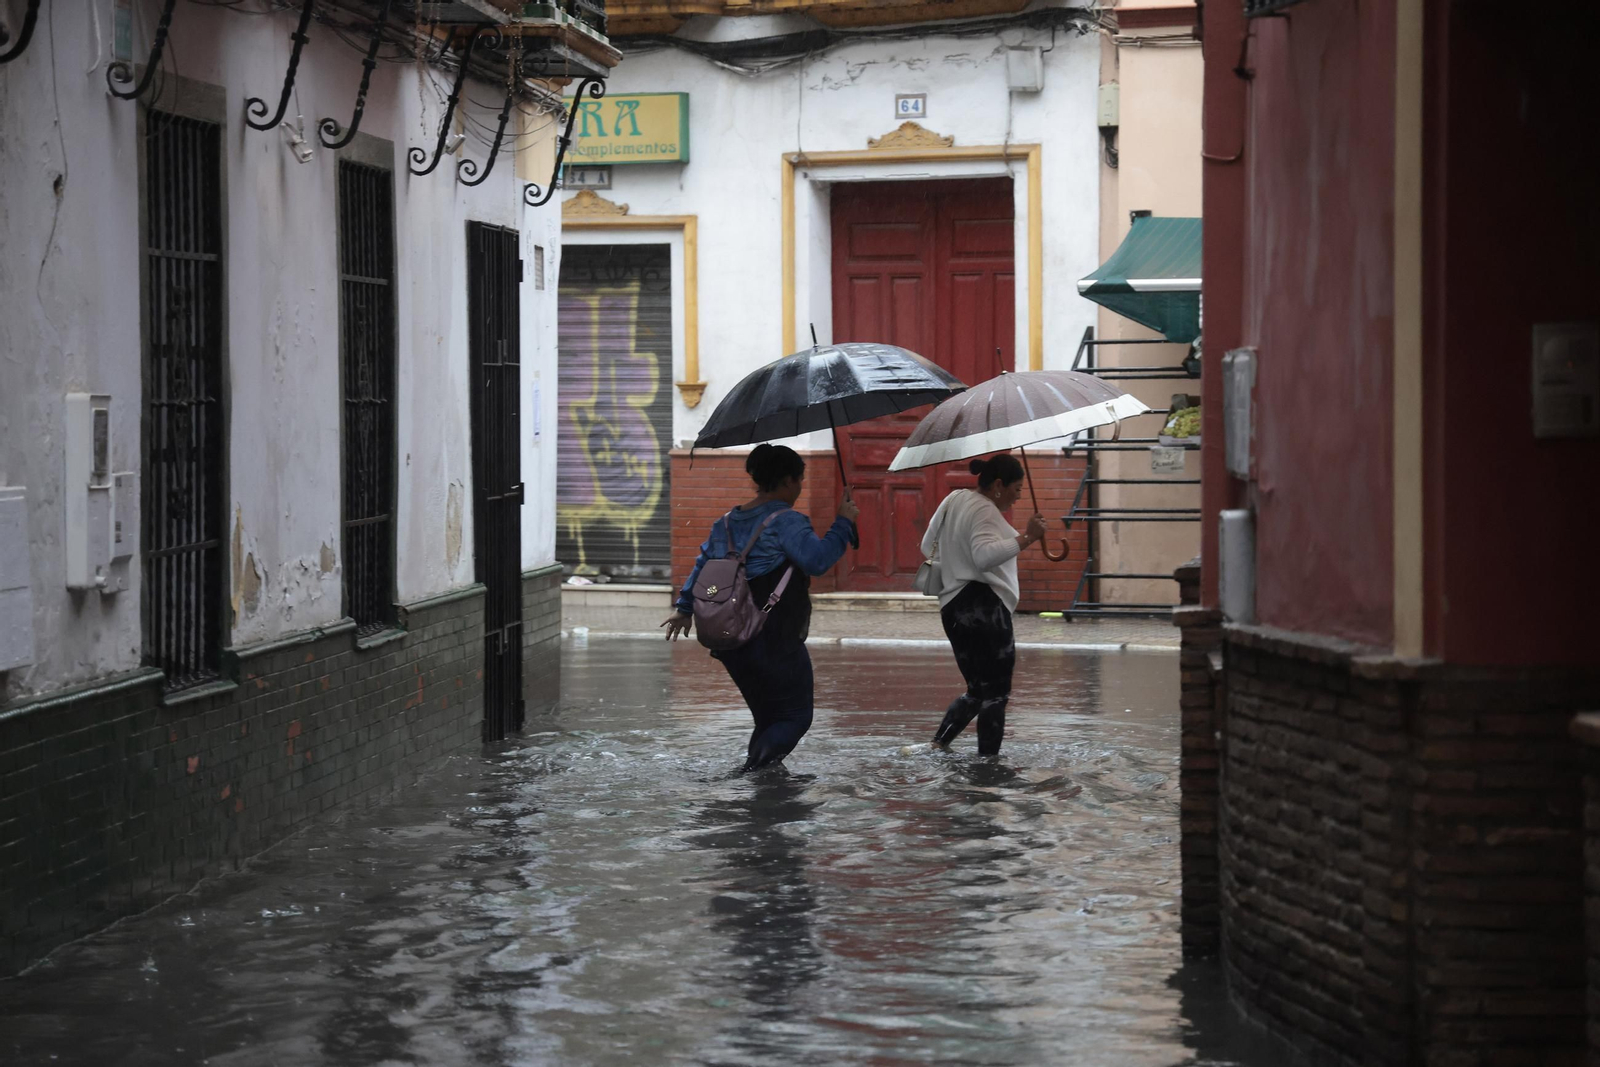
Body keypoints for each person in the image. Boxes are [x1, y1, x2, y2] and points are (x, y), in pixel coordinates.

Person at [661, 444, 859, 773]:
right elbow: (818, 561)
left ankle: (760, 798)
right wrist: (843, 522)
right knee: (796, 717)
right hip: (773, 635)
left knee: (768, 718)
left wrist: (684, 608)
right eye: (799, 480)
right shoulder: (787, 521)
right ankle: (748, 775)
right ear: (786, 481)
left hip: (732, 638)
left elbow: (703, 567)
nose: (799, 488)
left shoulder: (725, 522)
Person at [920, 454, 1048, 755]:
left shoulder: (954, 499)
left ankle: (938, 744)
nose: (1017, 498)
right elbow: (983, 556)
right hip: (984, 609)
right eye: (1017, 489)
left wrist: (955, 561)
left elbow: (928, 546)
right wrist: (1028, 537)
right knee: (996, 695)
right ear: (999, 485)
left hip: (952, 607)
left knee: (977, 691)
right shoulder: (985, 511)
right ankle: (988, 768)